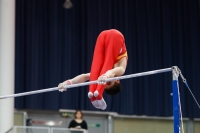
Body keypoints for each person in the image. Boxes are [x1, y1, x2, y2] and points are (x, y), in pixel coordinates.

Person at [58, 29, 128, 110]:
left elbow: (85, 77)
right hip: (116, 37)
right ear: (117, 80)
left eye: (104, 84)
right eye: (108, 83)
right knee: (107, 64)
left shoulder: (102, 76)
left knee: (95, 70)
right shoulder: (121, 70)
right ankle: (99, 92)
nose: (104, 82)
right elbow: (111, 72)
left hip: (102, 36)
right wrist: (106, 76)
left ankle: (92, 93)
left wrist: (68, 83)